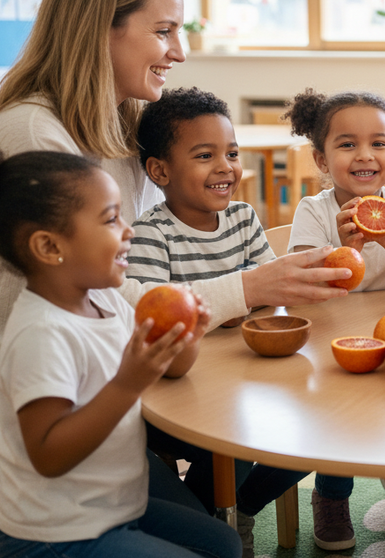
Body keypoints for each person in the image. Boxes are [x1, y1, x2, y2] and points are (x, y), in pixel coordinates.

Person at [0, 0, 350, 548]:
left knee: (224, 475)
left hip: (98, 364)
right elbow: (115, 294)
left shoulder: (124, 127)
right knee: (156, 525)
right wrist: (249, 286)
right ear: (102, 28)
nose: (180, 51)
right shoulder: (32, 133)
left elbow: (143, 268)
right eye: (164, 31)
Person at [0, 141, 241, 558]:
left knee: (224, 544)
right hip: (53, 534)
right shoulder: (40, 335)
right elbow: (48, 455)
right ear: (50, 247)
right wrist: (127, 385)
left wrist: (187, 337)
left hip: (113, 508)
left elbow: (173, 368)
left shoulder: (104, 298)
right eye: (111, 219)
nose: (128, 230)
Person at [125, 87, 312, 558]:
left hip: (237, 378)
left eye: (231, 153)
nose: (226, 167)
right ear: (160, 171)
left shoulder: (243, 219)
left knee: (314, 424)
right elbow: (157, 319)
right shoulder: (153, 234)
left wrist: (241, 304)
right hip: (173, 395)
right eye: (205, 155)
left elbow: (270, 294)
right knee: (243, 433)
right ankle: (208, 519)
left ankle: (238, 508)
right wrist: (236, 304)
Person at [283, 87, 385, 549]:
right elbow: (304, 291)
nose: (365, 155)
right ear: (321, 158)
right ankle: (331, 495)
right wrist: (346, 250)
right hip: (333, 337)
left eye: (378, 143)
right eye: (347, 144)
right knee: (338, 418)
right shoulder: (313, 211)